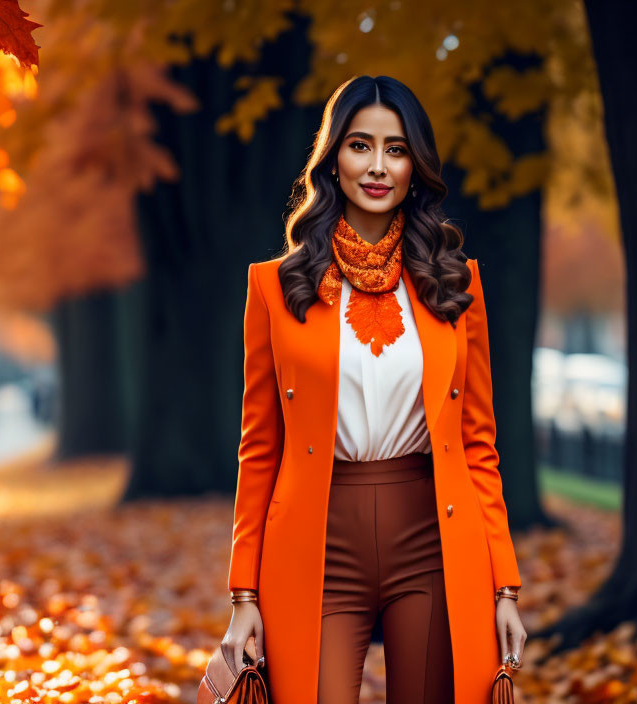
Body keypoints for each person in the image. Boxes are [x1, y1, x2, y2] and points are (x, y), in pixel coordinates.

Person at [222, 74, 527, 704]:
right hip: (316, 542)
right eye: (361, 145)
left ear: (416, 165)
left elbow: (479, 448)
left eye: (396, 149)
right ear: (333, 157)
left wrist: (505, 588)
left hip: (433, 539)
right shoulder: (275, 289)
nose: (378, 166)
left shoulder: (454, 285)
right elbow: (260, 449)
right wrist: (242, 595)